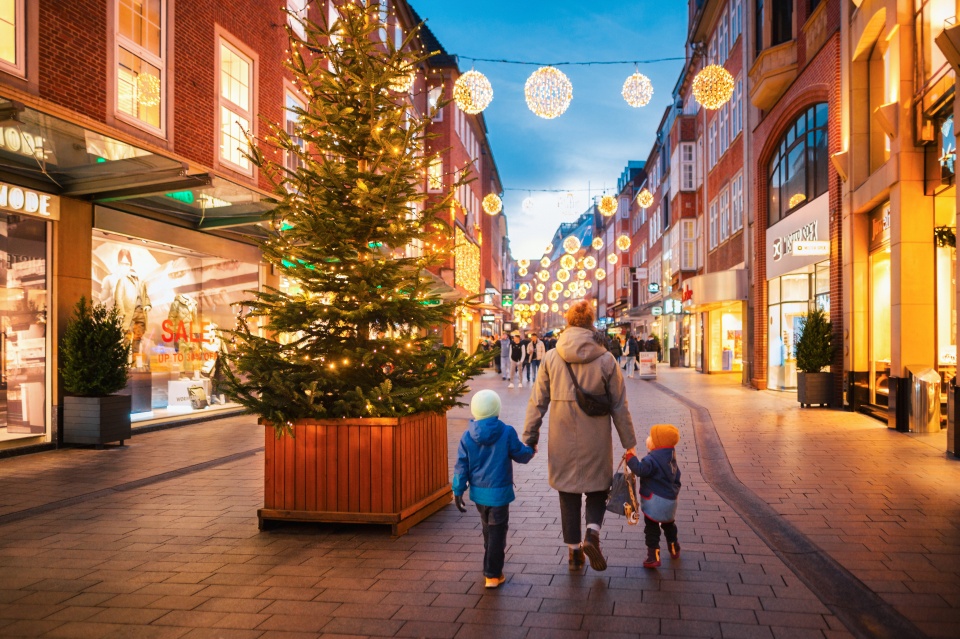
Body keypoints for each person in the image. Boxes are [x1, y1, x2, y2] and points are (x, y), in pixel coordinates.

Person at [522, 300, 637, 572]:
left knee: (568, 492)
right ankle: (592, 533)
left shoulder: (552, 356)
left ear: (569, 322)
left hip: (561, 435)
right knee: (598, 487)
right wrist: (629, 444)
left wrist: (529, 437)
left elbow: (537, 400)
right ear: (590, 323)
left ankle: (574, 553)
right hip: (596, 435)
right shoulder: (606, 358)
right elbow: (620, 405)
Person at [453, 390, 535, 588]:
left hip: (479, 495)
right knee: (498, 532)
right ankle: (492, 573)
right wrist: (530, 449)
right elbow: (520, 455)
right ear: (497, 409)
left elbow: (461, 465)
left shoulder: (467, 436)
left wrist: (457, 490)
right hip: (499, 494)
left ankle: (490, 567)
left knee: (488, 530)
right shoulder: (506, 431)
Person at [625, 424, 682, 569]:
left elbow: (640, 470)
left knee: (652, 528)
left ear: (657, 443)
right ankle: (674, 547)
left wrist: (630, 457)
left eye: (651, 437)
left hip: (655, 501)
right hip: (670, 501)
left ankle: (653, 556)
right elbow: (678, 478)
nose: (648, 439)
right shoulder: (671, 458)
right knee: (669, 525)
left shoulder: (652, 459)